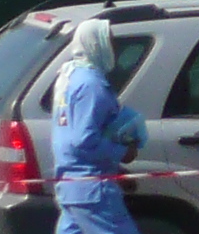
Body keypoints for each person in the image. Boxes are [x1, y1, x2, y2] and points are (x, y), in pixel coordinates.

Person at [49, 17, 146, 234]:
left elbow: (69, 137)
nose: (114, 48)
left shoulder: (69, 78)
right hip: (93, 189)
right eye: (109, 41)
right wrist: (123, 152)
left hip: (73, 187)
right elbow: (83, 139)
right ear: (95, 44)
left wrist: (116, 171)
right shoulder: (91, 84)